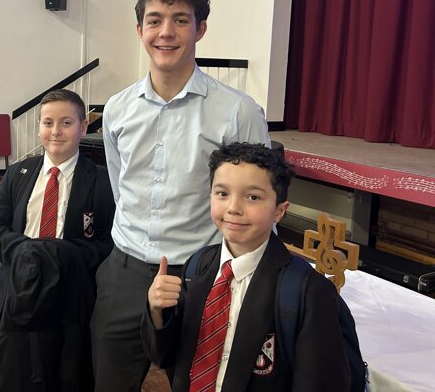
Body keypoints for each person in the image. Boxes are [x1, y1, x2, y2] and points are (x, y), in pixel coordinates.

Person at [90, 0, 271, 391]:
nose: (166, 32)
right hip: (124, 273)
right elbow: (120, 187)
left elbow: (257, 200)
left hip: (200, 276)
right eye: (154, 20)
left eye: (180, 20)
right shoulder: (117, 109)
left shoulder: (237, 112)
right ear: (140, 29)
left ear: (200, 29)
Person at [143, 143, 351, 391]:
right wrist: (157, 312)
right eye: (222, 193)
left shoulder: (308, 292)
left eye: (253, 197)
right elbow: (166, 355)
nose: (233, 208)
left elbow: (319, 383)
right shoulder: (197, 266)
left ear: (280, 211)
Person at [0, 88, 115, 334]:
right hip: (19, 286)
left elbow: (110, 241)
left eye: (66, 123)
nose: (55, 131)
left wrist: (61, 256)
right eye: (48, 123)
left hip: (73, 292)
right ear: (39, 127)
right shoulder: (17, 174)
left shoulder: (103, 181)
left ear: (83, 127)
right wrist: (26, 252)